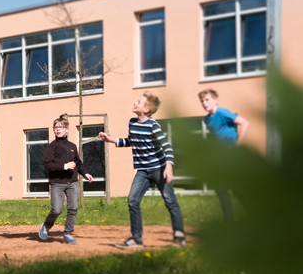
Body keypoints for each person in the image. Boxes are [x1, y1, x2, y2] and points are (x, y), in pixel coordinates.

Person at [98, 91, 185, 248]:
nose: (135, 103)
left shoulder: (153, 126)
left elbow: (168, 148)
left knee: (170, 201)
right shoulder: (132, 122)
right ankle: (136, 239)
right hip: (143, 172)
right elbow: (131, 141)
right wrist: (110, 139)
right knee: (132, 200)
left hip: (159, 169)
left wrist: (169, 167)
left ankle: (179, 237)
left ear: (146, 109)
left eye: (139, 102)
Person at [38, 116, 93, 244]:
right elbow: (48, 165)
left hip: (73, 183)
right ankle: (46, 225)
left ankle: (68, 233)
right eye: (56, 127)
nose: (58, 130)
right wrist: (64, 166)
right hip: (57, 183)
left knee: (73, 209)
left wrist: (85, 173)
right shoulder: (51, 147)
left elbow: (78, 163)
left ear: (67, 129)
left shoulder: (72, 146)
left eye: (61, 127)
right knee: (57, 209)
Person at [199, 89, 249, 220]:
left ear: (215, 100)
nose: (204, 103)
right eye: (202, 101)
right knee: (221, 189)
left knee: (237, 189)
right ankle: (228, 221)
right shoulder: (207, 119)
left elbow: (245, 123)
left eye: (207, 100)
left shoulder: (222, 112)